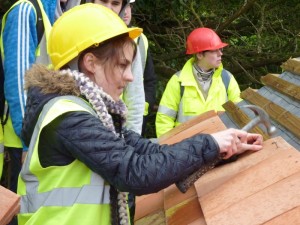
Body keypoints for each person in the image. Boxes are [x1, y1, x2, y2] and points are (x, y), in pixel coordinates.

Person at [17, 4, 263, 225]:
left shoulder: (90, 111)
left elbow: (149, 152)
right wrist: (209, 143)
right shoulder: (68, 117)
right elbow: (136, 171)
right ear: (90, 63)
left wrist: (219, 148)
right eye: (122, 65)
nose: (131, 77)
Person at [1, 0, 80, 193]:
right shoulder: (26, 10)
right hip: (20, 143)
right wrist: (28, 140)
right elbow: (19, 82)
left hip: (38, 137)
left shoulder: (53, 17)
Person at [156, 27, 242, 138]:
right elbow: (164, 119)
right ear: (199, 54)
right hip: (186, 149)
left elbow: (240, 115)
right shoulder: (178, 81)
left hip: (221, 148)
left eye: (221, 49)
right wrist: (168, 148)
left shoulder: (227, 79)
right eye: (214, 50)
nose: (220, 54)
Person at [91, 0, 146, 135]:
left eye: (115, 3)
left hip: (116, 131)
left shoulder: (129, 43)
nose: (108, 8)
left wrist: (131, 141)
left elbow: (136, 99)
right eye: (103, 1)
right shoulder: (74, 35)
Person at [123, 0, 157, 136]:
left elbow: (149, 78)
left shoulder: (141, 39)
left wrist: (144, 106)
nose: (126, 12)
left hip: (135, 116)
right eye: (120, 5)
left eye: (129, 6)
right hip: (105, 112)